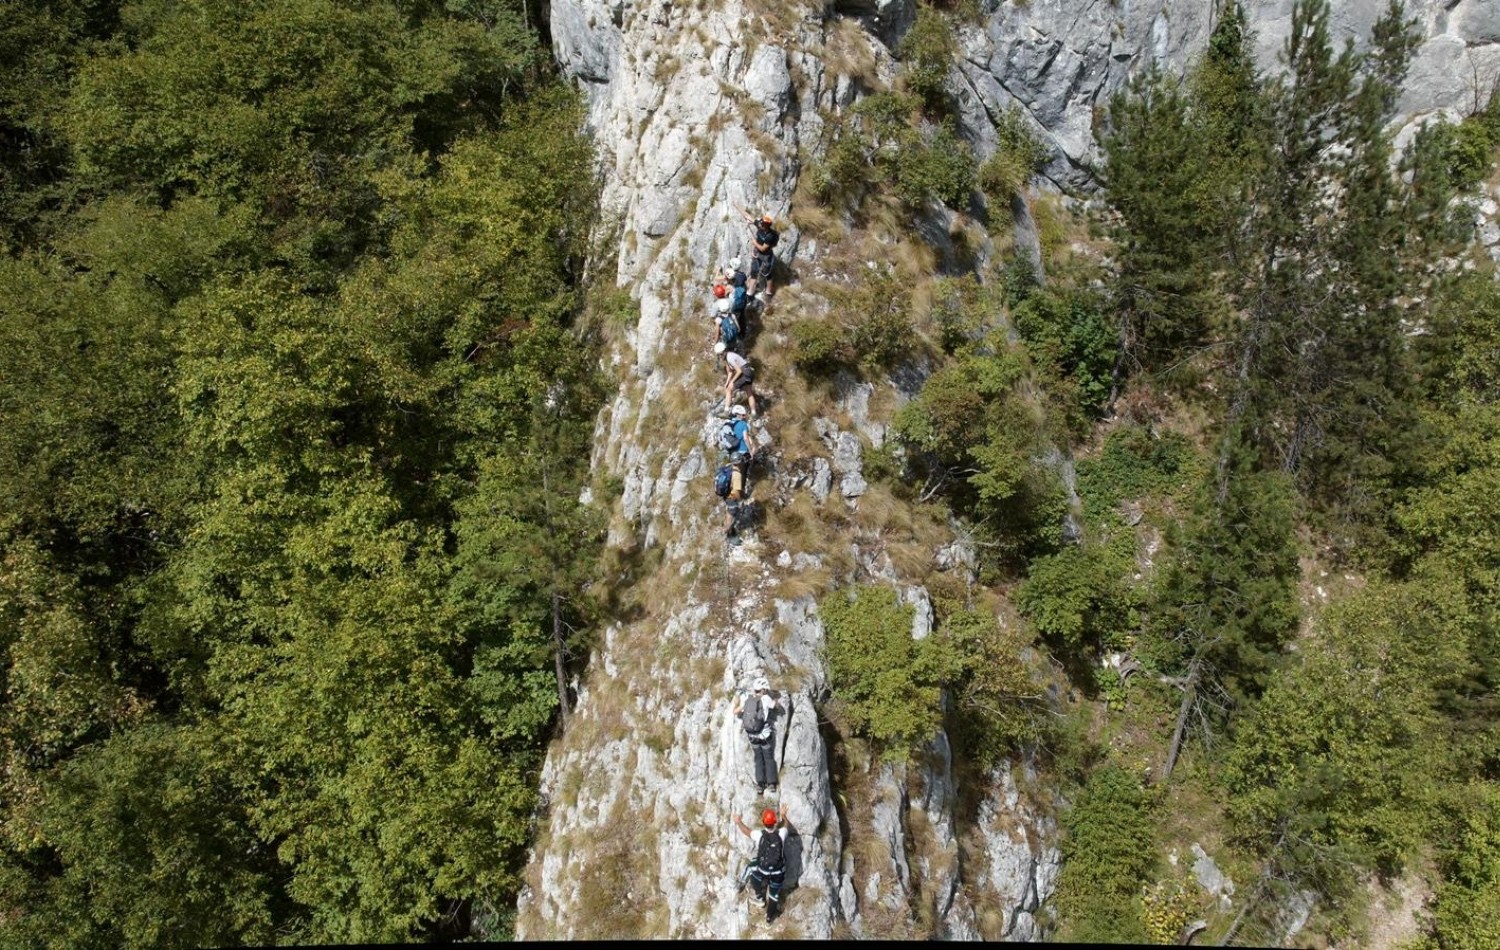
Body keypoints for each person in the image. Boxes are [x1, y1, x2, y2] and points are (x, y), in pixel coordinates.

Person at [733, 807, 789, 920]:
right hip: (778, 872)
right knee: (774, 895)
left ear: (763, 822)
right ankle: (769, 919)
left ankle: (758, 897)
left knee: (751, 867)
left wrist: (738, 822)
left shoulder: (759, 835)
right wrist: (783, 815)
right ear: (775, 822)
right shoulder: (782, 833)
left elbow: (746, 831)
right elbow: (786, 825)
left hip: (763, 870)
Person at [732, 676, 779, 794]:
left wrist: (737, 701)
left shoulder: (748, 699)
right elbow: (776, 706)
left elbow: (735, 711)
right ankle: (771, 783)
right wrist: (775, 697)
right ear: (763, 690)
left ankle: (760, 784)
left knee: (758, 758)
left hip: (752, 737)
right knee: (768, 758)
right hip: (765, 736)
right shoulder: (766, 699)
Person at [737, 208, 779, 299]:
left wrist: (754, 242)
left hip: (766, 256)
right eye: (760, 223)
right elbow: (749, 217)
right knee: (754, 273)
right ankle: (750, 293)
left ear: (766, 225)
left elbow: (763, 248)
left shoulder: (770, 236)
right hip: (757, 254)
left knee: (768, 274)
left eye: (762, 223)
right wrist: (736, 206)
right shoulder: (760, 225)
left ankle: (768, 293)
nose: (760, 224)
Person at [715, 342, 759, 418]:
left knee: (729, 390)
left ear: (722, 352)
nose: (720, 357)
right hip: (749, 372)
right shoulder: (728, 358)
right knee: (749, 392)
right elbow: (730, 372)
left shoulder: (729, 357)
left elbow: (739, 371)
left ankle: (726, 412)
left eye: (720, 354)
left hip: (745, 372)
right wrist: (727, 382)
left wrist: (731, 382)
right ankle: (754, 414)